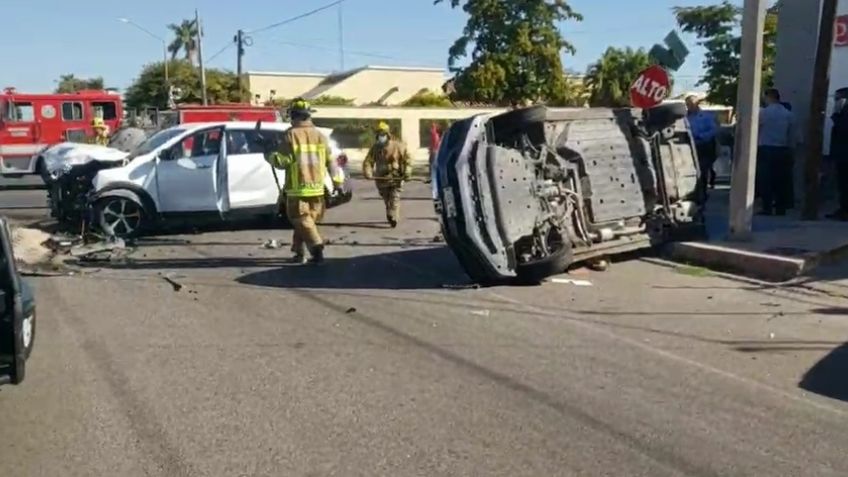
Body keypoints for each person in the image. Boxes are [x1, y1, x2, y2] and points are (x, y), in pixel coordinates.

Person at [263, 98, 343, 264]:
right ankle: (299, 253)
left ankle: (317, 248)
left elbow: (282, 162)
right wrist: (338, 183)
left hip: (297, 189)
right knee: (306, 222)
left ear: (294, 115)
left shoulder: (291, 135)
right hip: (318, 189)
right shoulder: (320, 136)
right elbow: (331, 162)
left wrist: (268, 153)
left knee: (301, 220)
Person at [362, 121, 412, 228]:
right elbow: (368, 162)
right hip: (381, 179)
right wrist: (368, 172)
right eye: (379, 134)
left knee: (394, 198)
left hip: (395, 178)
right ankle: (390, 212)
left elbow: (407, 159)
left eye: (383, 134)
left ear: (388, 135)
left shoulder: (398, 146)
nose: (381, 137)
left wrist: (407, 171)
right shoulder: (375, 148)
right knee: (387, 199)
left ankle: (393, 216)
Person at [757, 88, 797, 216]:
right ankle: (781, 208)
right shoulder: (788, 114)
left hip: (766, 148)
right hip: (783, 149)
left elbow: (757, 130)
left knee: (765, 180)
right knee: (781, 180)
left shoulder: (763, 113)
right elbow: (792, 135)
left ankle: (767, 207)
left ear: (768, 97)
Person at [685, 95, 719, 197]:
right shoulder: (685, 118)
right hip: (689, 147)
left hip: (703, 146)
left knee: (702, 170)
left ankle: (702, 192)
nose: (690, 106)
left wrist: (701, 136)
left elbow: (713, 130)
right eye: (688, 104)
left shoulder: (706, 116)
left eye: (691, 104)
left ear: (697, 104)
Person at [827, 87, 848, 221]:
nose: (835, 101)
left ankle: (845, 210)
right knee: (842, 184)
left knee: (845, 184)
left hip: (845, 154)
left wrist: (835, 116)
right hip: (842, 154)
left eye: (838, 98)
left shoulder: (844, 113)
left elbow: (844, 129)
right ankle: (843, 208)